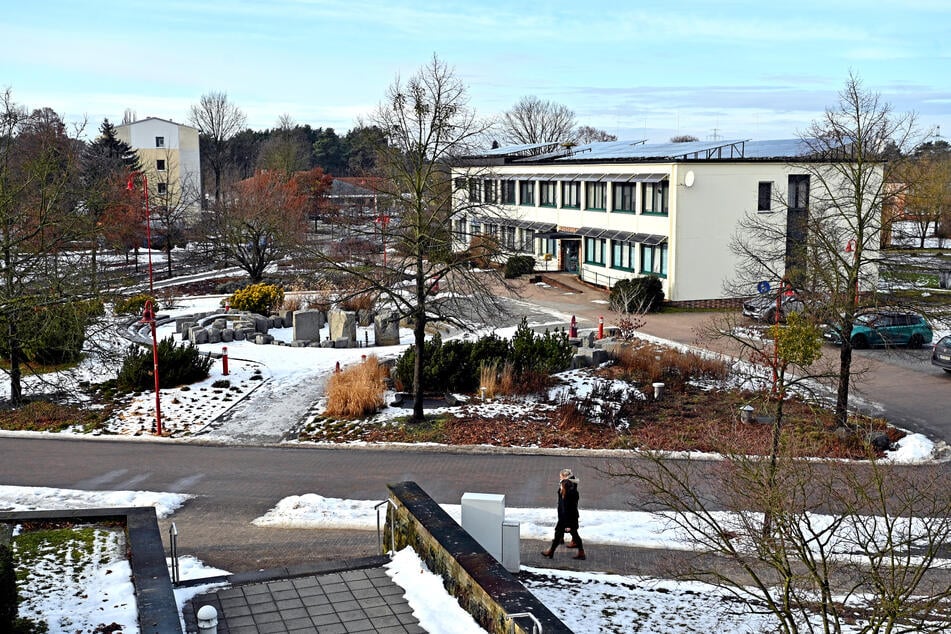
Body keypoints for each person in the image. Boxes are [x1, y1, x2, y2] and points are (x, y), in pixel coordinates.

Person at [541, 468, 585, 560]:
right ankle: (552, 552)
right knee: (565, 534)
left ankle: (551, 552)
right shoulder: (569, 486)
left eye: (561, 477)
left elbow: (568, 508)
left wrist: (568, 524)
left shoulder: (568, 490)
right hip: (566, 517)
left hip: (567, 518)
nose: (559, 478)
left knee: (571, 534)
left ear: (565, 478)